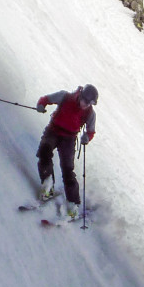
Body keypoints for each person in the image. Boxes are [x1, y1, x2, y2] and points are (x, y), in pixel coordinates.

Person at [36, 84, 98, 218]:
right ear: (81, 96)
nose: (86, 105)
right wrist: (41, 105)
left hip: (69, 138)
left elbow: (91, 130)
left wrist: (87, 137)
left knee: (67, 168)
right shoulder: (65, 97)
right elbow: (45, 99)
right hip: (53, 130)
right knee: (44, 151)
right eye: (85, 101)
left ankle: (73, 204)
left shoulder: (90, 113)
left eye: (90, 103)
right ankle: (48, 185)